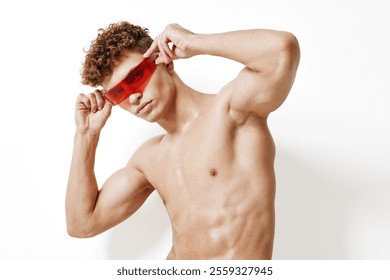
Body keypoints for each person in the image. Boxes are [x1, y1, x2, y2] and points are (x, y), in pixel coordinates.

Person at [66, 21, 300, 260]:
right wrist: (86, 135)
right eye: (119, 93)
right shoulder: (148, 159)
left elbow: (283, 50)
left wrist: (193, 42)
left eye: (136, 77)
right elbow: (82, 224)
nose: (134, 96)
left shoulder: (232, 111)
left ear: (164, 61)